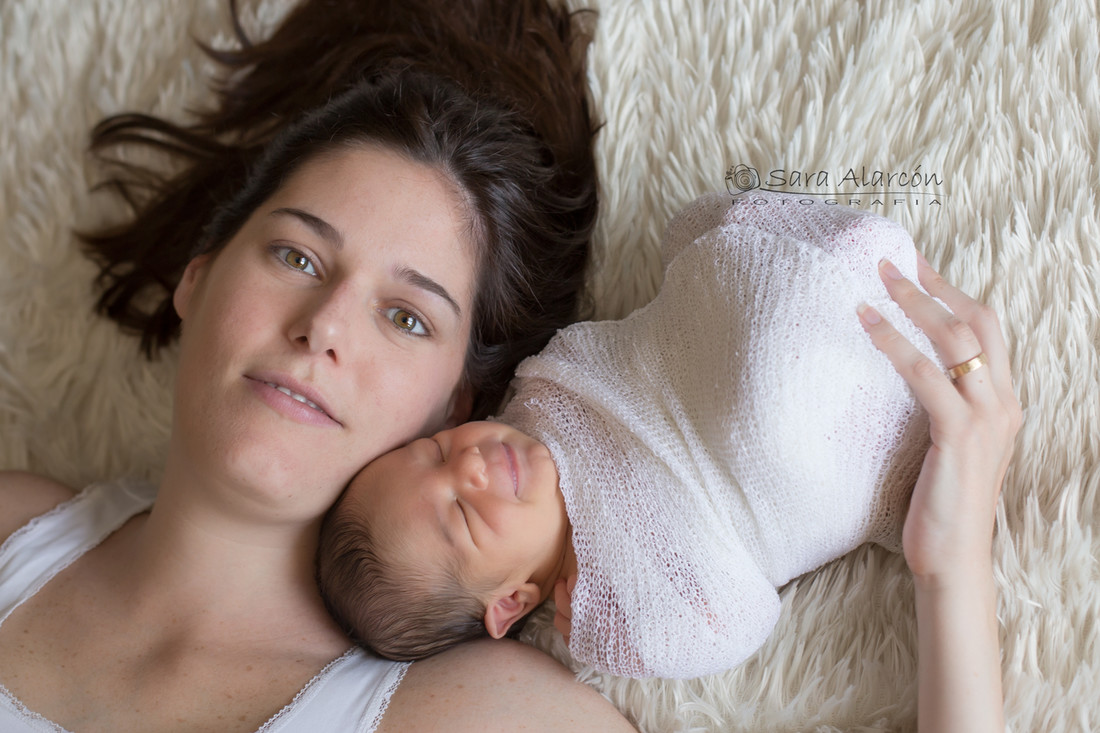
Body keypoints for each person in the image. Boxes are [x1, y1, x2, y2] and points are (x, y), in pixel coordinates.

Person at [0, 1, 637, 731]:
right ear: (198, 277)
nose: (324, 327)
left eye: (407, 317)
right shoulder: (11, 529)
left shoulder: (490, 714)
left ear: (455, 406)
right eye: (297, 256)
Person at [319, 193, 1021, 726]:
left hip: (745, 319)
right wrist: (609, 626)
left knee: (713, 256)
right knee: (773, 417)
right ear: (510, 600)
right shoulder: (623, 610)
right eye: (464, 516)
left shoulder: (540, 396)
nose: (467, 466)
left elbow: (603, 350)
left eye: (437, 450)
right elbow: (737, 620)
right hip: (817, 444)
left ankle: (797, 274)